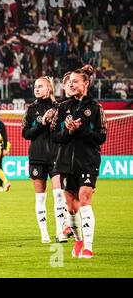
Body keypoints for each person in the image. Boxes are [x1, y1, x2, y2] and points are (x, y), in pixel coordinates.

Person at [51, 65, 107, 259]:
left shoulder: (95, 108)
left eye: (75, 81)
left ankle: (88, 247)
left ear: (86, 83)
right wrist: (68, 131)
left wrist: (80, 130)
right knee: (71, 207)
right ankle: (78, 240)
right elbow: (55, 136)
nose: (71, 84)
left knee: (84, 199)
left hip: (88, 162)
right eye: (69, 82)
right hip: (66, 162)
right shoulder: (63, 107)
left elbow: (101, 137)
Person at [22, 76, 69, 243]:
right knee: (40, 197)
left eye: (40, 86)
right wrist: (42, 124)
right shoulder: (31, 109)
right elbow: (25, 133)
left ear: (49, 89)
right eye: (35, 86)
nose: (36, 88)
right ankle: (44, 234)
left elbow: (63, 133)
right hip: (37, 157)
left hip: (57, 156)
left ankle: (60, 231)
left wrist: (53, 125)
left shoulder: (60, 108)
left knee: (58, 194)